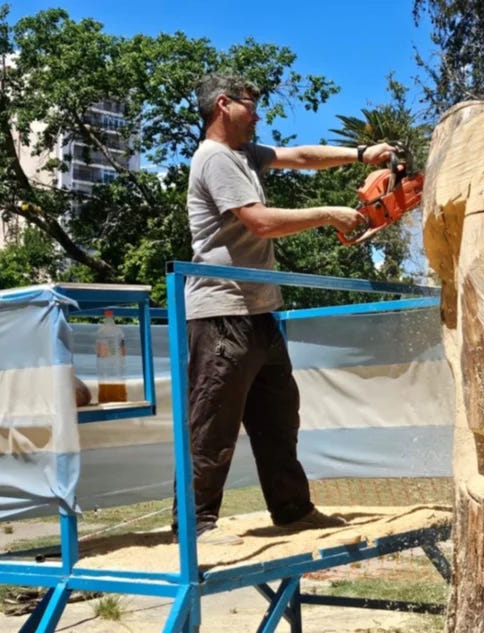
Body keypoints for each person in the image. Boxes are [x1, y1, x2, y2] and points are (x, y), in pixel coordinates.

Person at [177, 73, 395, 545]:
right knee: (213, 420)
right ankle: (196, 525)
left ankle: (292, 510)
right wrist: (327, 213)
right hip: (221, 311)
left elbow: (300, 156)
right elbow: (257, 222)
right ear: (222, 105)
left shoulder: (245, 155)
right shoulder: (214, 158)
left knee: (278, 418)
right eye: (249, 105)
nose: (257, 114)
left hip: (259, 308)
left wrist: (361, 155)